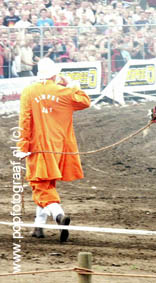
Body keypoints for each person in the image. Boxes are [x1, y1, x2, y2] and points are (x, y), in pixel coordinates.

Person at [15, 58, 91, 241]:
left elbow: (24, 120)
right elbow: (85, 102)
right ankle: (38, 228)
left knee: (39, 185)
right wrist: (72, 85)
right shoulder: (64, 92)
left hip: (37, 146)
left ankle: (58, 215)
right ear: (55, 74)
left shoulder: (29, 91)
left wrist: (22, 146)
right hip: (58, 147)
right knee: (46, 184)